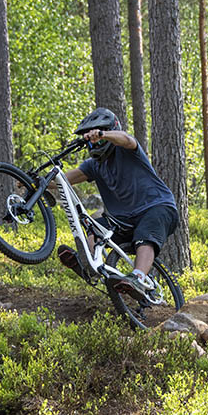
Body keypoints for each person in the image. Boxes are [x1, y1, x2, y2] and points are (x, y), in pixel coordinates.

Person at [56, 107, 178, 300]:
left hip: (157, 207)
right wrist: (32, 182)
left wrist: (102, 134)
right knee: (94, 227)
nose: (94, 142)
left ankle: (138, 277)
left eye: (97, 134)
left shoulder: (127, 150)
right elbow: (61, 180)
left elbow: (127, 139)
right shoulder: (93, 166)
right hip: (123, 220)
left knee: (144, 235)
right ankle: (87, 264)